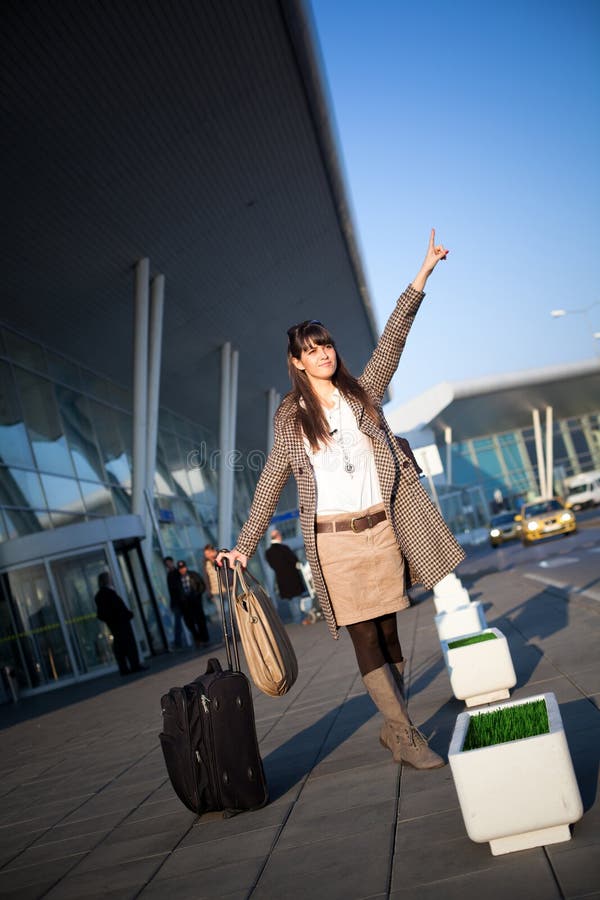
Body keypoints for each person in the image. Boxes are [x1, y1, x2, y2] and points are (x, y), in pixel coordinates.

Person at [218, 230, 465, 770]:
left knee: (389, 630)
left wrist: (422, 274)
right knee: (364, 637)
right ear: (298, 362)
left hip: (383, 531)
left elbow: (393, 339)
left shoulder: (362, 392)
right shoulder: (290, 417)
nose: (322, 354)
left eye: (325, 344)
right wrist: (242, 544)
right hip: (334, 542)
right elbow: (270, 483)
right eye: (310, 350)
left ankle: (394, 729)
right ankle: (405, 733)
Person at [94, 572, 148, 675]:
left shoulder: (100, 595)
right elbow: (117, 609)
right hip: (120, 623)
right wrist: (126, 615)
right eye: (109, 578)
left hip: (114, 624)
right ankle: (134, 665)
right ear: (106, 580)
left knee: (120, 647)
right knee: (128, 644)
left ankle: (124, 668)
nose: (111, 580)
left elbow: (102, 614)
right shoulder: (109, 593)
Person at [265, 529, 307, 624]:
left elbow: (272, 566)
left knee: (290, 600)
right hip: (292, 578)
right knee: (296, 599)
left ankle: (297, 618)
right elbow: (294, 560)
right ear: (278, 536)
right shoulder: (284, 548)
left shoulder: (268, 552)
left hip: (281, 580)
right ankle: (298, 619)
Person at [173, 560, 210, 647]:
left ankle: (204, 639)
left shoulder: (193, 574)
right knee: (190, 622)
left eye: (183, 567)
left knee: (200, 621)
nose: (182, 570)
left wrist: (197, 594)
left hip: (196, 602)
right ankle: (197, 639)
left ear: (186, 567)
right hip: (185, 604)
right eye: (180, 568)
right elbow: (175, 592)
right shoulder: (177, 579)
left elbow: (202, 585)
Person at [163, 555, 185, 648]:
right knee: (178, 623)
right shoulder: (169, 575)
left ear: (172, 562)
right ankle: (178, 642)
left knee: (187, 621)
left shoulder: (177, 572)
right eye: (167, 564)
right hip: (176, 602)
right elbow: (171, 591)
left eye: (169, 563)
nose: (169, 565)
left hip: (183, 600)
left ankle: (180, 642)